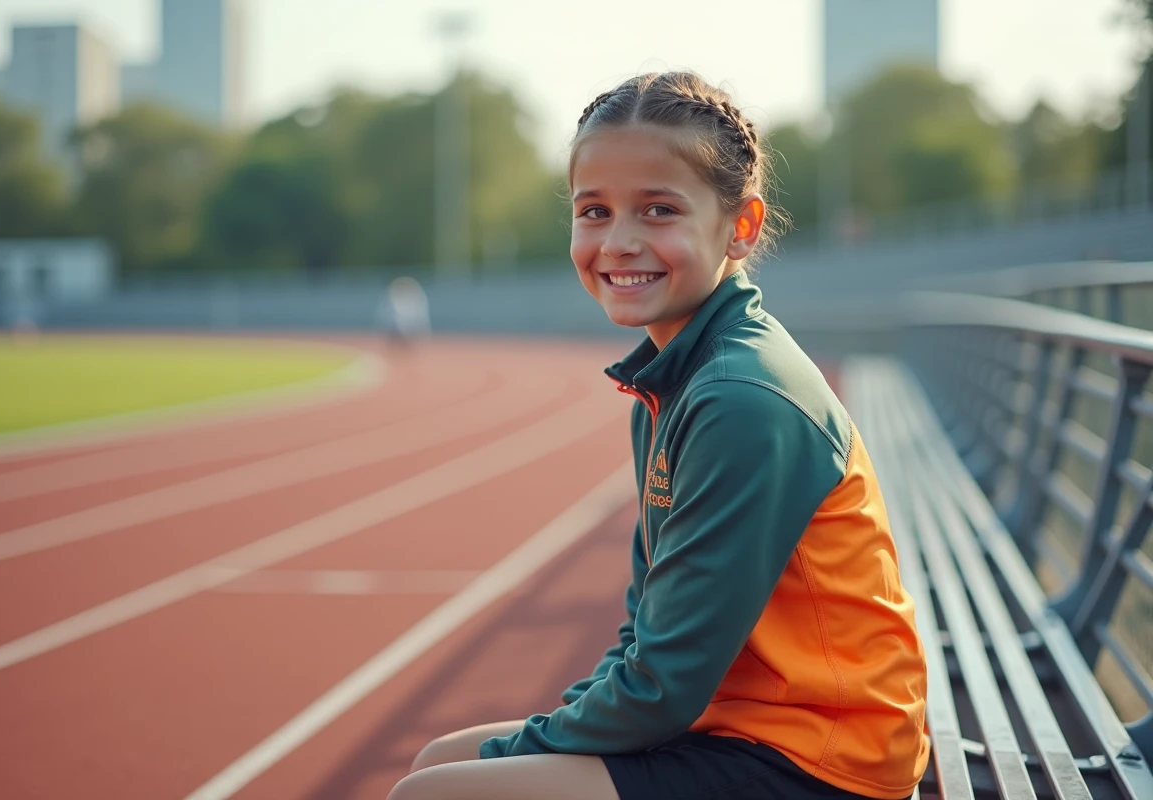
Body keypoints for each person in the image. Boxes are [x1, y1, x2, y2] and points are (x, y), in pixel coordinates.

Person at [388, 72, 929, 800]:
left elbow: (661, 685)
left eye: (659, 210)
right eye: (595, 211)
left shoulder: (740, 396)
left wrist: (516, 748)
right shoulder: (674, 378)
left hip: (824, 759)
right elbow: (647, 634)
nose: (619, 241)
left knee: (435, 793)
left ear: (739, 226)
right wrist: (529, 741)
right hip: (744, 728)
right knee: (439, 763)